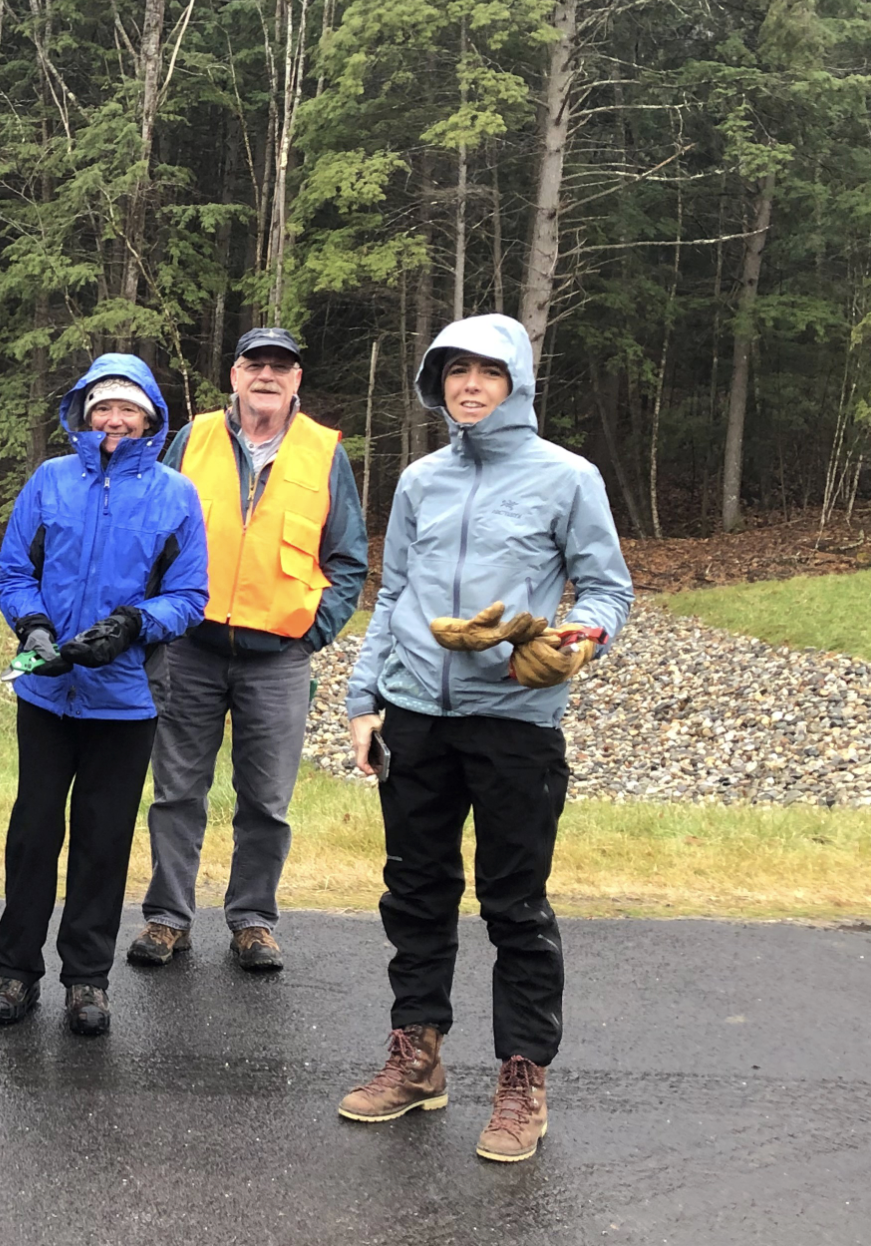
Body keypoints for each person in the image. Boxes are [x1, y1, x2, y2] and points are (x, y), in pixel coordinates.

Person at [337, 314, 632, 1163]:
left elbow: (608, 592)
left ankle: (521, 1078)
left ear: (518, 382)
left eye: (487, 371)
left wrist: (576, 642)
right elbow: (393, 598)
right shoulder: (423, 479)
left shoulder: (567, 478)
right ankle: (417, 1057)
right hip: (417, 717)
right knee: (416, 892)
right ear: (438, 384)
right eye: (454, 370)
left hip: (513, 723)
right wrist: (365, 698)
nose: (469, 384)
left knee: (515, 904)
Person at [130, 326, 367, 973]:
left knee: (266, 801)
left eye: (281, 366)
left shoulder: (324, 454)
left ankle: (254, 921)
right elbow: (151, 532)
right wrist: (154, 622)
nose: (267, 374)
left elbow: (348, 559)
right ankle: (167, 917)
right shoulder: (193, 438)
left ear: (296, 381)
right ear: (234, 375)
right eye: (255, 363)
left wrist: (313, 631)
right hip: (191, 648)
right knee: (176, 791)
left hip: (279, 660)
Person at [0, 355, 209, 1036]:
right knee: (33, 832)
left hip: (128, 696)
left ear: (150, 418)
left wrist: (135, 624)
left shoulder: (176, 494)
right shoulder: (50, 481)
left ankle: (87, 980)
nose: (114, 420)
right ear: (83, 414)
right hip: (48, 690)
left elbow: (190, 595)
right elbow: (14, 571)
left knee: (103, 839)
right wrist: (35, 625)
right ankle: (15, 971)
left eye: (128, 409)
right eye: (102, 408)